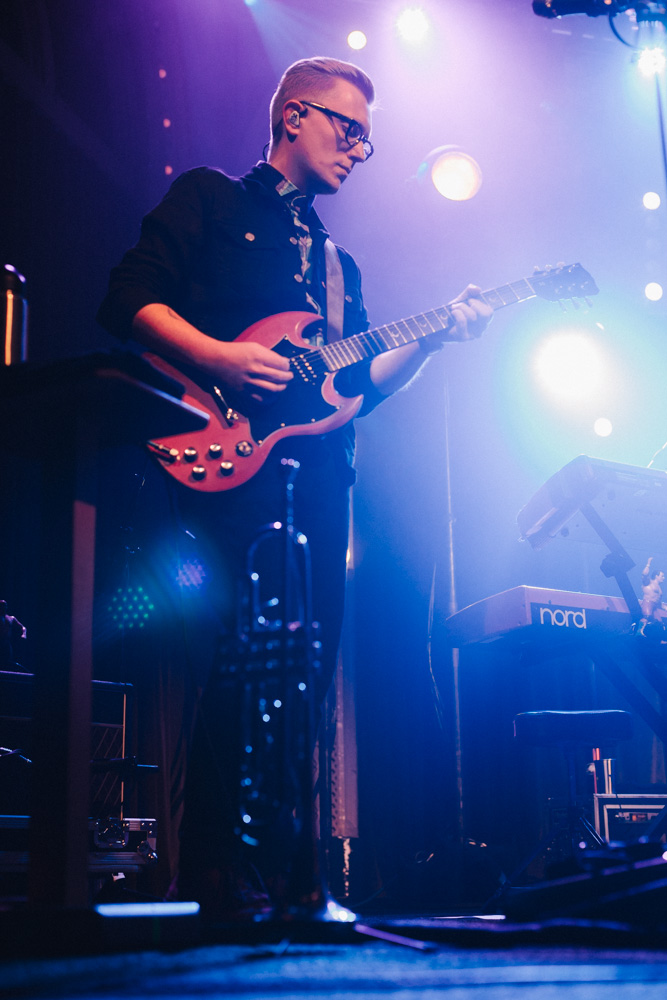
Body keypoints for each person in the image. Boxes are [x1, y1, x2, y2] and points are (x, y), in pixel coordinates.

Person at [96, 56, 492, 919]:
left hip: (316, 480)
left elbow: (357, 390)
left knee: (305, 675)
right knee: (237, 661)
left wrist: (432, 339)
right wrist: (218, 356)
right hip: (220, 462)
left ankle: (285, 879)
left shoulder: (341, 265)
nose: (360, 147)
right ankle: (206, 875)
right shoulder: (208, 198)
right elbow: (128, 297)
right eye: (348, 127)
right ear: (294, 116)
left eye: (367, 137)